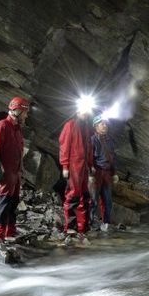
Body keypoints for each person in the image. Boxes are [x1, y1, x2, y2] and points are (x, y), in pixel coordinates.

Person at [0, 96, 30, 240]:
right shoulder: (2, 126)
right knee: (4, 202)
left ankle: (10, 232)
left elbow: (18, 152)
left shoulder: (17, 129)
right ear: (17, 111)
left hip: (15, 173)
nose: (26, 116)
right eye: (25, 113)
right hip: (6, 171)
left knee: (13, 202)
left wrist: (20, 172)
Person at [58, 102, 94, 238]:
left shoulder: (87, 128)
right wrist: (65, 166)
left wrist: (90, 165)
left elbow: (89, 148)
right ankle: (71, 227)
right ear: (78, 111)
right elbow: (64, 146)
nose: (85, 113)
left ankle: (82, 226)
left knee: (85, 196)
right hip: (74, 166)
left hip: (83, 167)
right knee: (73, 195)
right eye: (83, 111)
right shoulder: (70, 125)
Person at [90, 115, 116, 233]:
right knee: (93, 200)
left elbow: (112, 158)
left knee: (108, 201)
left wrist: (114, 173)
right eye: (102, 124)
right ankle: (90, 223)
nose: (105, 126)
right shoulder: (92, 140)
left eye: (106, 124)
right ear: (96, 126)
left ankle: (106, 223)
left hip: (107, 173)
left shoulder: (110, 141)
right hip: (97, 172)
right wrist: (90, 174)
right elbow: (89, 157)